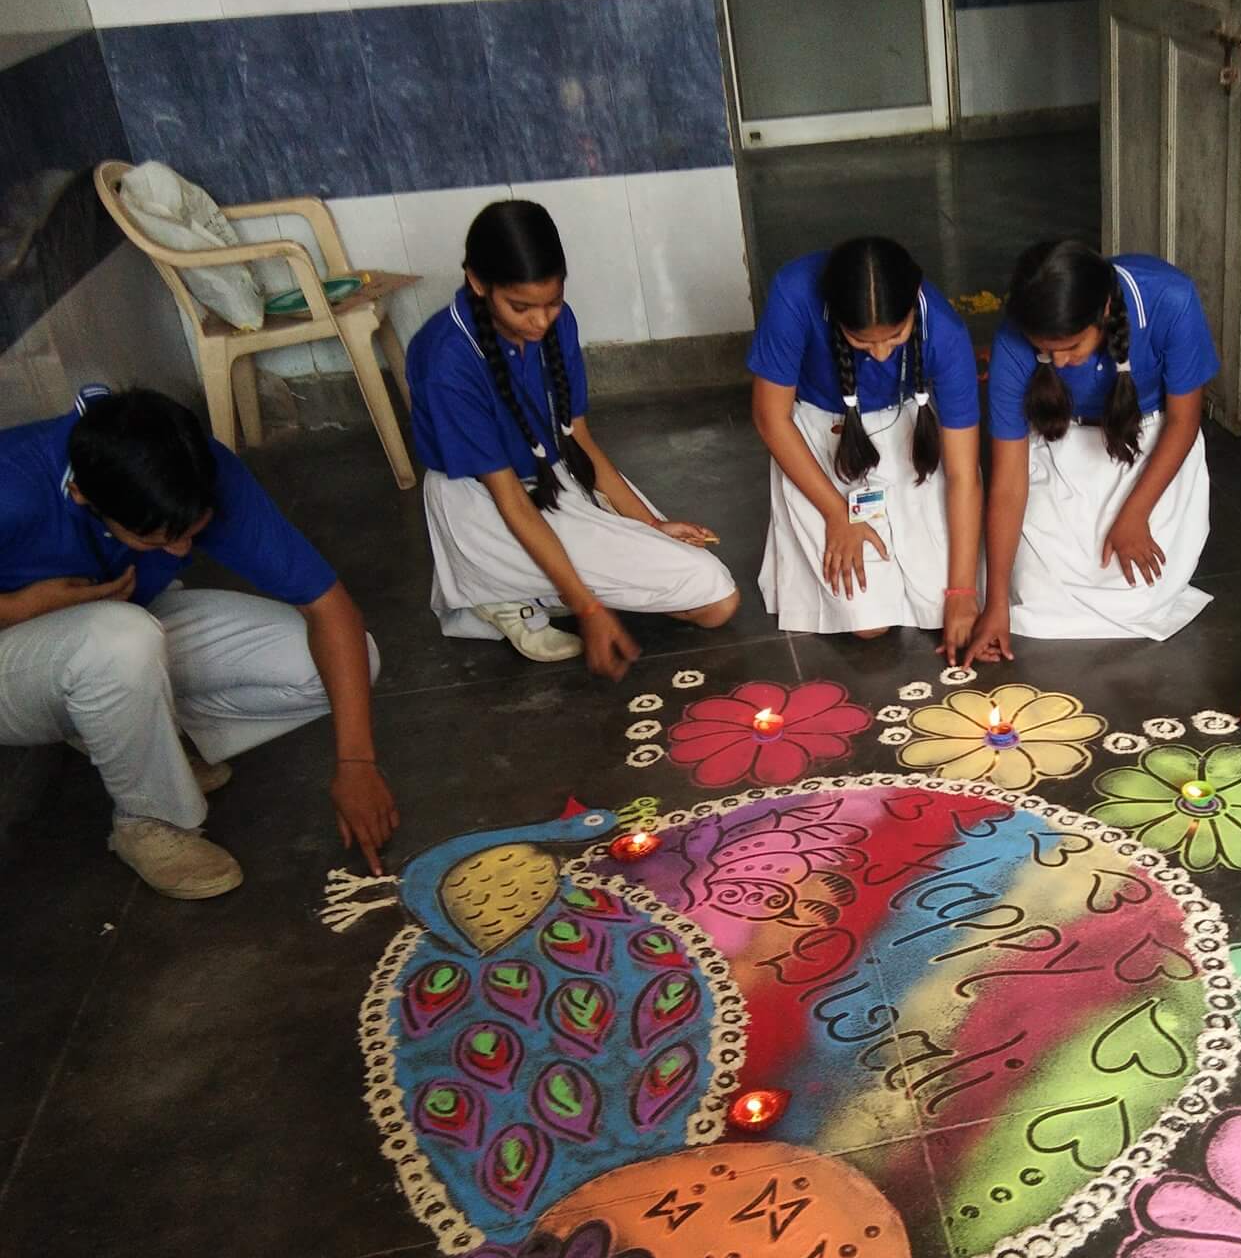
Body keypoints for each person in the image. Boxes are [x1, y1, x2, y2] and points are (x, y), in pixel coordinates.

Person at [0, 386, 393, 898]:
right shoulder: (12, 485)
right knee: (120, 640)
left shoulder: (197, 466)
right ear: (84, 498)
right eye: (160, 541)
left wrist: (356, 764)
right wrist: (18, 609)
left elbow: (331, 610)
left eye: (193, 530)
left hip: (114, 628)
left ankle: (131, 735)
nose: (183, 549)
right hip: (20, 662)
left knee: (349, 660)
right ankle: (148, 820)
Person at [407, 200, 738, 679]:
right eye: (520, 307)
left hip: (556, 478)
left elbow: (578, 439)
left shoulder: (559, 323)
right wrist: (588, 610)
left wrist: (648, 525)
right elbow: (509, 500)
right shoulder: (446, 361)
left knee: (712, 598)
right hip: (485, 505)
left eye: (552, 303)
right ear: (478, 283)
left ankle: (542, 583)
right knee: (716, 598)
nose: (541, 322)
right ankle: (502, 589)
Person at [966, 239, 1218, 658]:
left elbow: (1183, 422)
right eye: (1046, 351)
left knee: (1139, 599)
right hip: (1061, 445)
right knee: (1030, 595)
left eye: (1070, 348)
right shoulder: (1014, 340)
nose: (1058, 363)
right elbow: (1009, 483)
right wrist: (995, 605)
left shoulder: (1170, 297)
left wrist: (1135, 515)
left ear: (1103, 312)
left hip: (1148, 446)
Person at [748, 236, 983, 661]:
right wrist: (837, 516)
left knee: (940, 605)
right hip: (823, 439)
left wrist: (963, 590)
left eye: (895, 336)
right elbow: (771, 418)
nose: (878, 353)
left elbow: (964, 474)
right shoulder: (794, 291)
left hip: (911, 435)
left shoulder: (945, 330)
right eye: (861, 341)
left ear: (913, 304)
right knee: (869, 621)